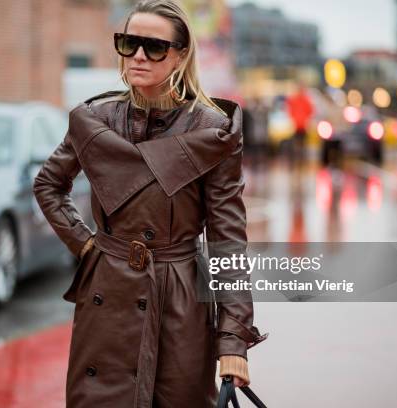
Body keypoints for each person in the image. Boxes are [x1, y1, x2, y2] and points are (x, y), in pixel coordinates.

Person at [33, 1, 267, 406]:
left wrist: (233, 341)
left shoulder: (212, 129)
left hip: (178, 299)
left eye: (154, 46)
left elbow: (228, 240)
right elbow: (49, 184)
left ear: (180, 54)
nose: (138, 55)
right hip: (107, 293)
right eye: (129, 43)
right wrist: (87, 246)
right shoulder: (96, 118)